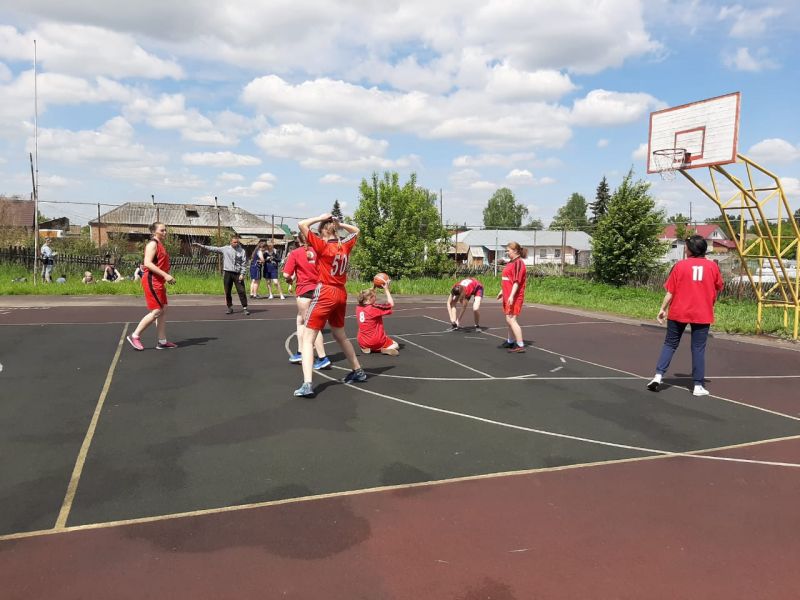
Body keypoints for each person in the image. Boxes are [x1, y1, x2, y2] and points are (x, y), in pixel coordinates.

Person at [294, 213, 366, 397]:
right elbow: (357, 230)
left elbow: (302, 223)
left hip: (325, 291)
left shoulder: (323, 245)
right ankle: (357, 370)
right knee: (340, 334)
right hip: (341, 292)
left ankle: (307, 384)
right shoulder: (344, 245)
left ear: (323, 232)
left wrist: (320, 217)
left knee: (308, 338)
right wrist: (340, 224)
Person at [647, 235, 724, 396]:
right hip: (702, 312)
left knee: (670, 344)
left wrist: (662, 309)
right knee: (698, 348)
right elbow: (719, 286)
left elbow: (670, 291)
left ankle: (658, 376)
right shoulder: (712, 266)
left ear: (690, 250)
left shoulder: (680, 265)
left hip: (678, 310)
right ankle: (698, 385)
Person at [282, 231, 330, 369]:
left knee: (312, 325)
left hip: (306, 290)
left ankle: (322, 357)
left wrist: (289, 279)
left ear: (298, 240)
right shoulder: (321, 251)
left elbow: (286, 274)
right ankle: (300, 351)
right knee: (300, 320)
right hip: (321, 290)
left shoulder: (295, 253)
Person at [126, 222, 177, 351]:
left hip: (159, 281)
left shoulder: (160, 244)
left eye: (165, 230)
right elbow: (147, 263)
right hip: (152, 280)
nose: (165, 232)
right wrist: (166, 275)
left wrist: (164, 276)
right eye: (162, 230)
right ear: (154, 232)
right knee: (157, 311)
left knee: (163, 309)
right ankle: (134, 335)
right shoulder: (152, 244)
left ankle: (162, 341)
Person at [193, 237, 250, 315]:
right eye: (234, 242)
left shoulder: (242, 251)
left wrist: (242, 274)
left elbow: (244, 263)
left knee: (241, 291)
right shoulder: (225, 249)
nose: (236, 244)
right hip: (228, 273)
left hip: (237, 274)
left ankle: (245, 308)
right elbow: (213, 248)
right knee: (227, 291)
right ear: (231, 242)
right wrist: (200, 246)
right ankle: (229, 307)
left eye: (237, 242)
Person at [496, 241, 528, 353]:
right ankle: (510, 341)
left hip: (514, 296)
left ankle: (520, 345)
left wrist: (511, 295)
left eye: (508, 250)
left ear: (515, 251)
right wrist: (502, 291)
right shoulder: (511, 262)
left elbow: (516, 281)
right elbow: (507, 279)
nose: (507, 252)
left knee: (512, 319)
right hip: (507, 294)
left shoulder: (519, 263)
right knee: (508, 319)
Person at [356, 283, 399, 356]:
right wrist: (386, 289)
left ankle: (365, 348)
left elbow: (366, 294)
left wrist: (374, 287)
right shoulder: (374, 308)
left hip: (363, 341)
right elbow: (391, 304)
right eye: (375, 297)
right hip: (377, 341)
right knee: (395, 345)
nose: (376, 298)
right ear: (370, 299)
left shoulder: (358, 307)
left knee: (363, 337)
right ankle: (383, 349)